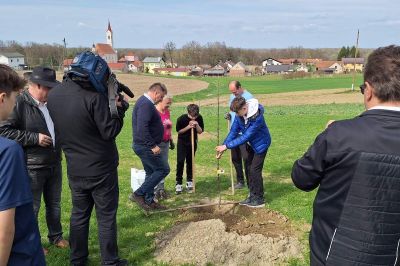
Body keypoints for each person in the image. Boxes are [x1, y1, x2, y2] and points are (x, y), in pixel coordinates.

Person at [291, 45, 400, 265]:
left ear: (368, 90)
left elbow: (301, 178)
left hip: (334, 256)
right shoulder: (341, 135)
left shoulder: (339, 135)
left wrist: (328, 135)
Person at [47, 68, 128, 265]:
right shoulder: (93, 97)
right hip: (102, 170)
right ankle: (110, 261)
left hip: (75, 167)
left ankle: (77, 259)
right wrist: (119, 111)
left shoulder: (54, 94)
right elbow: (109, 131)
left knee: (79, 215)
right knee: (106, 217)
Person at [0, 66, 68, 254]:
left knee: (54, 204)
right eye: (49, 88)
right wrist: (34, 138)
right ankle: (34, 242)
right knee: (33, 208)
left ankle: (56, 236)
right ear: (38, 86)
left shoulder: (51, 105)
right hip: (33, 166)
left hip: (54, 162)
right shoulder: (19, 103)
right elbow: (4, 131)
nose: (52, 92)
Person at [0, 64, 45, 265]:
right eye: (14, 97)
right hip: (18, 255)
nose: (15, 102)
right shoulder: (8, 151)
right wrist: (34, 138)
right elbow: (4, 227)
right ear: (2, 98)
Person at [216, 97, 271, 207]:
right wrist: (223, 145)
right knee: (248, 169)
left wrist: (227, 146)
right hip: (251, 145)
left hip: (261, 145)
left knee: (255, 170)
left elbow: (245, 136)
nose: (236, 114)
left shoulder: (257, 118)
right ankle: (252, 195)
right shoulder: (239, 115)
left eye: (237, 112)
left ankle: (259, 199)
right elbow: (233, 131)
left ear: (245, 108)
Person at [130, 83, 169, 210]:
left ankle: (149, 201)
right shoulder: (145, 104)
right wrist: (152, 145)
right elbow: (142, 127)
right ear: (156, 93)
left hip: (143, 145)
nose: (161, 99)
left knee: (151, 172)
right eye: (161, 96)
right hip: (145, 146)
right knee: (163, 169)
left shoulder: (145, 103)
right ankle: (138, 194)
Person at [226, 81, 253, 189]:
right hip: (234, 132)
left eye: (235, 91)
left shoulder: (249, 97)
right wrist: (229, 115)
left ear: (240, 87)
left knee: (246, 158)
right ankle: (240, 181)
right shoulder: (231, 96)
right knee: (235, 158)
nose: (234, 94)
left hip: (244, 133)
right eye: (232, 92)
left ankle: (249, 182)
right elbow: (233, 111)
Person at [175, 104, 204, 194]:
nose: (194, 118)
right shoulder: (181, 119)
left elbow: (200, 131)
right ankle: (178, 182)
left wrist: (197, 125)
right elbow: (179, 131)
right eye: (192, 116)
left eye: (195, 116)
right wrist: (188, 127)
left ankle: (189, 181)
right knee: (180, 161)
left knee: (190, 161)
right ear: (188, 113)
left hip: (192, 143)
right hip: (182, 143)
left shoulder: (199, 118)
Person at [154, 95, 174, 201]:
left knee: (164, 166)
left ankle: (161, 189)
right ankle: (154, 190)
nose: (169, 105)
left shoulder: (167, 112)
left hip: (165, 143)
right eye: (167, 103)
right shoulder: (154, 112)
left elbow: (168, 127)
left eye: (170, 103)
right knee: (156, 167)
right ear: (160, 101)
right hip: (156, 144)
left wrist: (171, 140)